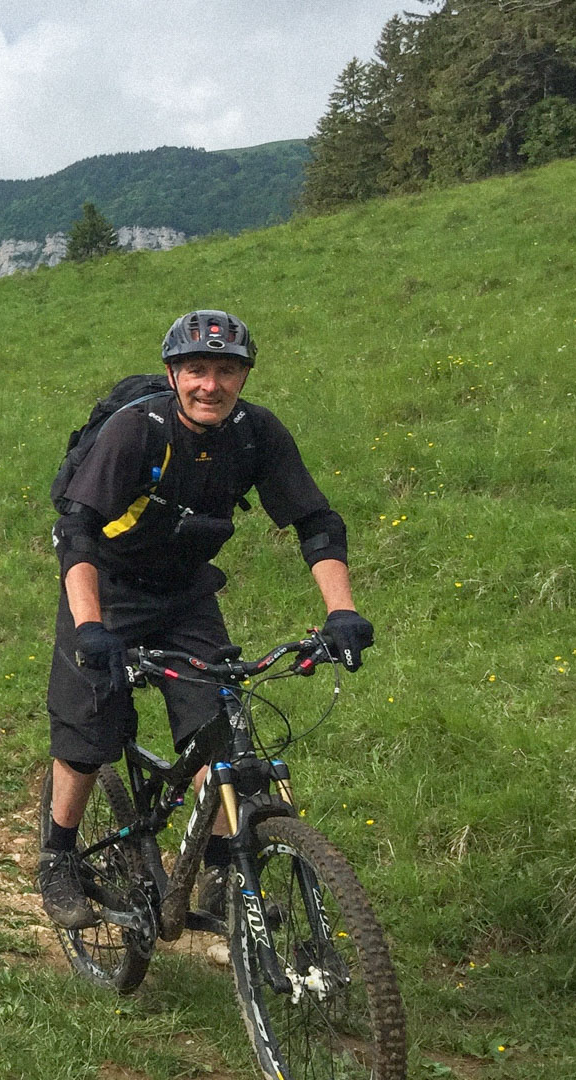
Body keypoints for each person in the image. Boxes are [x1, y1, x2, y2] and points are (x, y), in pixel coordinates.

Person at [39, 309, 376, 929]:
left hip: (186, 596)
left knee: (221, 733)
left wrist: (343, 612)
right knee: (90, 732)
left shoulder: (255, 433)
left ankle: (224, 871)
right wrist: (91, 627)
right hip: (104, 589)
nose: (210, 385)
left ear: (243, 377)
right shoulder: (136, 430)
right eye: (197, 370)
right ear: (174, 374)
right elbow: (78, 532)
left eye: (226, 371)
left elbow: (317, 523)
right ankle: (59, 857)